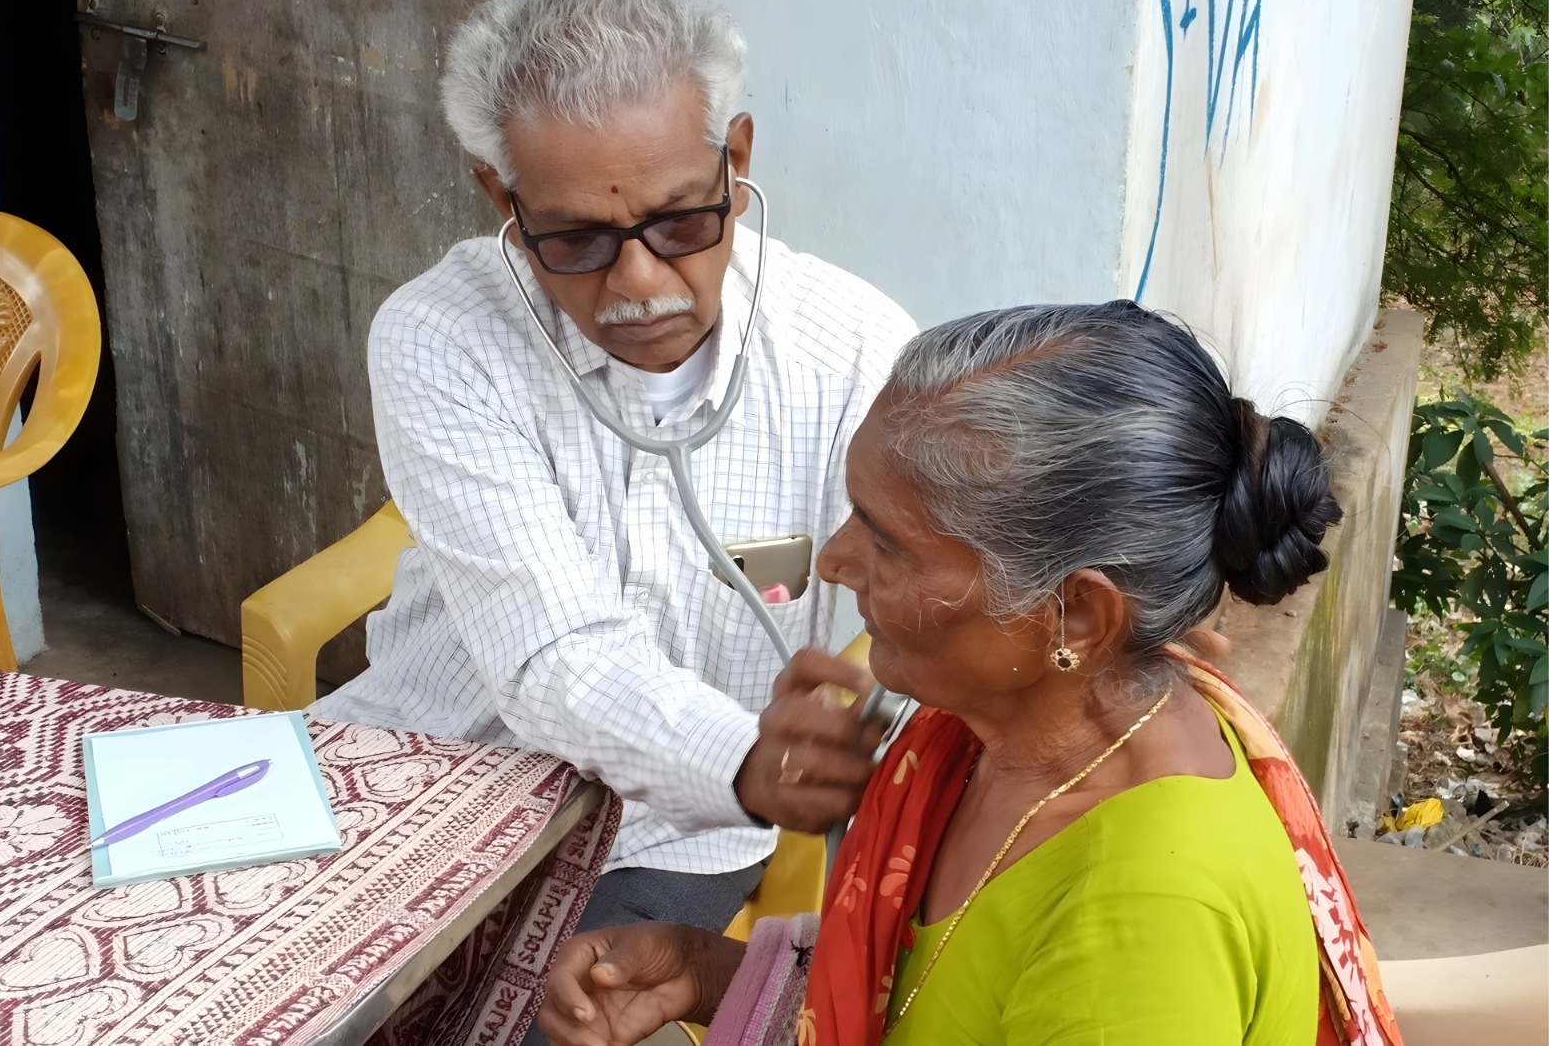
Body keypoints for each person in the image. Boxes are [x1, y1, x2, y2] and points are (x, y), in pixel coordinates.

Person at [539, 302, 1405, 1046]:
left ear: (1076, 615)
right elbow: (921, 999)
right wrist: (697, 967)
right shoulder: (979, 742)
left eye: (887, 540)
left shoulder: (1145, 917)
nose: (836, 560)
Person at [309, 0, 916, 942]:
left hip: (670, 833)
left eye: (680, 222)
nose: (639, 283)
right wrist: (746, 758)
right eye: (577, 241)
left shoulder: (853, 349)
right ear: (501, 199)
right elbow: (554, 652)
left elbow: (960, 549)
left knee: (555, 1014)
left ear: (737, 158)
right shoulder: (438, 334)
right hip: (426, 763)